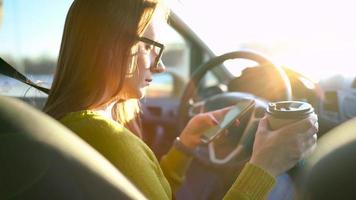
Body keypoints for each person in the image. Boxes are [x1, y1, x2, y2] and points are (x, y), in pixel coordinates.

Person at [43, 0, 318, 199]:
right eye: (151, 48)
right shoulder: (103, 136)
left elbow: (147, 192)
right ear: (112, 46)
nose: (160, 66)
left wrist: (184, 145)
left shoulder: (81, 127)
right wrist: (265, 166)